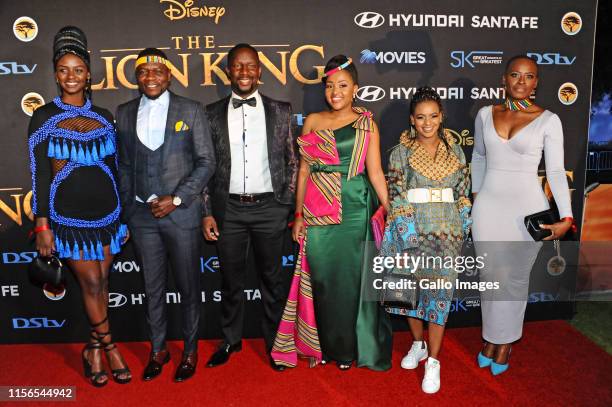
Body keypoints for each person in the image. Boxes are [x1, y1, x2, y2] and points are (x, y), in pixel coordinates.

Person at [272, 55, 392, 371]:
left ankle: (349, 349)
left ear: (355, 89)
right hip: (317, 212)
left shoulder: (367, 124)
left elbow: (376, 172)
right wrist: (298, 215)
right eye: (329, 86)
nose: (335, 92)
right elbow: (303, 172)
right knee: (322, 281)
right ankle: (322, 345)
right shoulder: (312, 120)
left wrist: (391, 210)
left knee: (350, 283)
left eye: (342, 86)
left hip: (355, 209)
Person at [28, 26, 130, 387]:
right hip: (67, 218)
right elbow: (39, 172)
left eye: (78, 70)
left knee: (102, 281)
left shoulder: (104, 116)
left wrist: (123, 219)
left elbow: (117, 170)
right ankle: (111, 345)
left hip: (108, 215)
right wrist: (43, 225)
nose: (70, 76)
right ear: (55, 75)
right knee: (90, 281)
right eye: (63, 70)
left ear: (88, 75)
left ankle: (93, 349)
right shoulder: (43, 117)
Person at [115, 48, 215, 382]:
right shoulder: (125, 112)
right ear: (136, 77)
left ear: (169, 75)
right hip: (142, 217)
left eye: (158, 71)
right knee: (151, 288)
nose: (151, 77)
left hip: (182, 214)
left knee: (188, 287)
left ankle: (189, 351)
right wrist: (130, 210)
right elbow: (125, 166)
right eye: (144, 71)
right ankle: (158, 350)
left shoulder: (191, 109)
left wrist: (178, 198)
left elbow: (206, 162)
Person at [471, 55, 573, 375]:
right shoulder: (486, 114)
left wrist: (566, 218)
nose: (520, 81)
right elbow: (478, 157)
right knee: (490, 277)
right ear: (504, 78)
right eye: (514, 75)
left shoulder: (548, 120)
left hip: (526, 209)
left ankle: (505, 343)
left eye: (528, 77)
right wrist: (476, 198)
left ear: (536, 82)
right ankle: (490, 337)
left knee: (514, 279)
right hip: (487, 208)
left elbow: (555, 172)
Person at [201, 43, 298, 371]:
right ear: (228, 71)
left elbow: (291, 161)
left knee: (273, 281)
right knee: (230, 281)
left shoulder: (281, 110)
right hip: (229, 210)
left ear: (260, 71)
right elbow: (205, 167)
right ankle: (230, 339)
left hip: (270, 208)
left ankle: (275, 344)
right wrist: (207, 210)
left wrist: (285, 204)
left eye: (250, 66)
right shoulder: (210, 113)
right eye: (237, 66)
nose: (244, 72)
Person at [383, 87, 471, 393]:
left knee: (440, 296)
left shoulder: (456, 152)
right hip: (413, 231)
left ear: (442, 116)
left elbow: (463, 193)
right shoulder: (400, 153)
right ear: (412, 119)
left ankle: (433, 362)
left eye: (433, 116)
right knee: (412, 294)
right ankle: (418, 344)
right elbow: (396, 195)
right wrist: (408, 237)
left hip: (448, 233)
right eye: (420, 117)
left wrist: (464, 226)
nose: (427, 122)